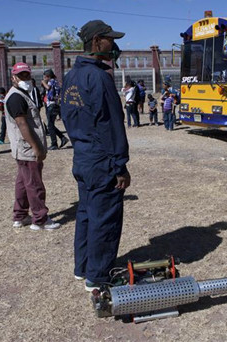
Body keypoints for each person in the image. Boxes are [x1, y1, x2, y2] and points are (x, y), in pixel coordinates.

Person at [61, 20, 131, 291]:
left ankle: (83, 268)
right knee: (105, 218)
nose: (114, 45)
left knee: (86, 213)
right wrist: (120, 166)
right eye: (110, 39)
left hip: (82, 157)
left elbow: (67, 116)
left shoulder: (71, 77)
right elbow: (111, 125)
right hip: (102, 161)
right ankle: (98, 277)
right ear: (97, 41)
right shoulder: (99, 77)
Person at [5, 62, 60, 231]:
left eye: (27, 75)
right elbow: (22, 124)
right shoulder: (16, 97)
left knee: (23, 183)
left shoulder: (22, 94)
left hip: (22, 149)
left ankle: (20, 215)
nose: (25, 78)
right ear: (13, 78)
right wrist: (36, 147)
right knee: (34, 184)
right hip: (27, 149)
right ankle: (40, 219)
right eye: (21, 76)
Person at [42, 69, 69, 150]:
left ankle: (54, 144)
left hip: (52, 105)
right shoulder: (56, 81)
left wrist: (43, 83)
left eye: (44, 77)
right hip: (56, 105)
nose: (44, 78)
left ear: (48, 76)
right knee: (50, 124)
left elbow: (48, 88)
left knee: (50, 125)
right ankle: (62, 138)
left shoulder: (51, 81)